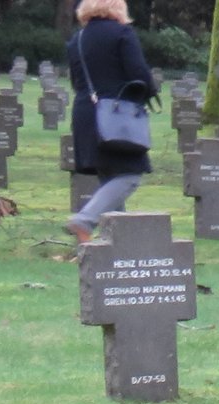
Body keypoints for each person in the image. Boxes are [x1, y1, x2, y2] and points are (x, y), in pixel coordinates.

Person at [65, 0, 156, 244]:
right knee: (130, 175)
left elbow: (76, 81)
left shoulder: (78, 39)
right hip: (116, 116)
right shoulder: (122, 33)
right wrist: (149, 92)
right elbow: (140, 75)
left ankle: (117, 247)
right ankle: (85, 220)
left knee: (110, 178)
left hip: (86, 114)